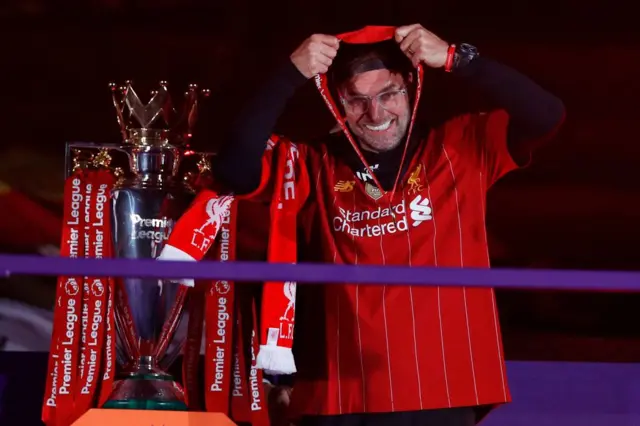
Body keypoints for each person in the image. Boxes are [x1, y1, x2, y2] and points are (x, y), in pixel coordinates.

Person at [212, 24, 565, 426]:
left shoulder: (460, 146)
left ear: (411, 86)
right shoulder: (313, 163)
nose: (376, 113)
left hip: (442, 391)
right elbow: (234, 170)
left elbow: (547, 114)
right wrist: (288, 74)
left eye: (388, 94)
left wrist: (457, 59)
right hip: (339, 397)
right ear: (335, 101)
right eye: (356, 100)